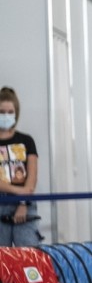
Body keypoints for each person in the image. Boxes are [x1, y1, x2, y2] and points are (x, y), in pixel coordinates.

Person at [0, 87, 41, 246]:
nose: (6, 115)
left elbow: (32, 177)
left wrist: (23, 201)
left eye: (10, 112)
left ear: (16, 113)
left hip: (25, 205)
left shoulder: (27, 140)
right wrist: (20, 191)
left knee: (28, 257)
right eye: (2, 111)